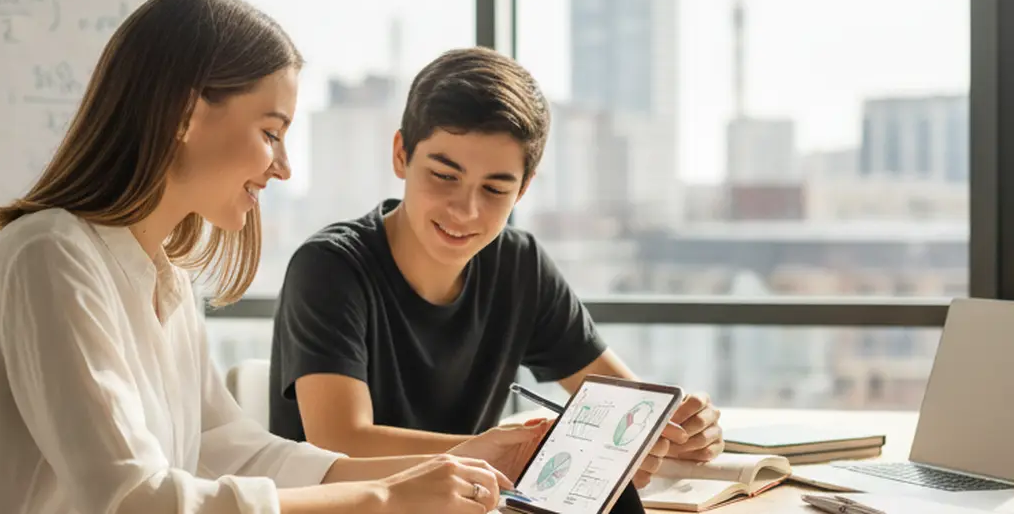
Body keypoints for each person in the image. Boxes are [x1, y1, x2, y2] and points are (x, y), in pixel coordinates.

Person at [0, 0, 549, 514]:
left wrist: (464, 459)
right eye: (271, 132)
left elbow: (227, 447)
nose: (284, 168)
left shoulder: (165, 274)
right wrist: (379, 496)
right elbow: (133, 499)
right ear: (186, 113)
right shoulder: (48, 258)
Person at [267, 47, 726, 498]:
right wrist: (503, 454)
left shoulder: (518, 265)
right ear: (401, 154)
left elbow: (625, 401)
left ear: (523, 189)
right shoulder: (330, 267)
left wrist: (676, 425)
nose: (466, 210)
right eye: (445, 176)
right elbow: (340, 442)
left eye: (494, 189)